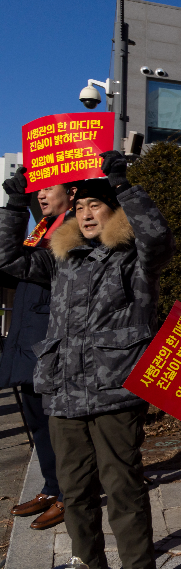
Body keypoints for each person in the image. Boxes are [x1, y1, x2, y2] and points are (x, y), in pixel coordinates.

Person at [0, 152, 175, 569]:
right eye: (79, 208)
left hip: (114, 391)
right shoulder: (60, 258)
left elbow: (158, 238)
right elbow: (8, 259)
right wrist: (13, 206)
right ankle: (90, 566)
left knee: (123, 489)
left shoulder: (135, 258)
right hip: (62, 394)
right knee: (75, 492)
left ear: (112, 211)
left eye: (95, 205)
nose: (86, 213)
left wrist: (122, 185)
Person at [0, 181, 76, 530]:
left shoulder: (75, 234)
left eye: (49, 189)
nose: (40, 196)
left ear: (72, 193)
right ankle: (51, 487)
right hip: (27, 345)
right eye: (37, 191)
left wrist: (15, 206)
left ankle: (69, 496)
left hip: (49, 349)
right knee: (37, 425)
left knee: (59, 428)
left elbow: (10, 259)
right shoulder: (43, 230)